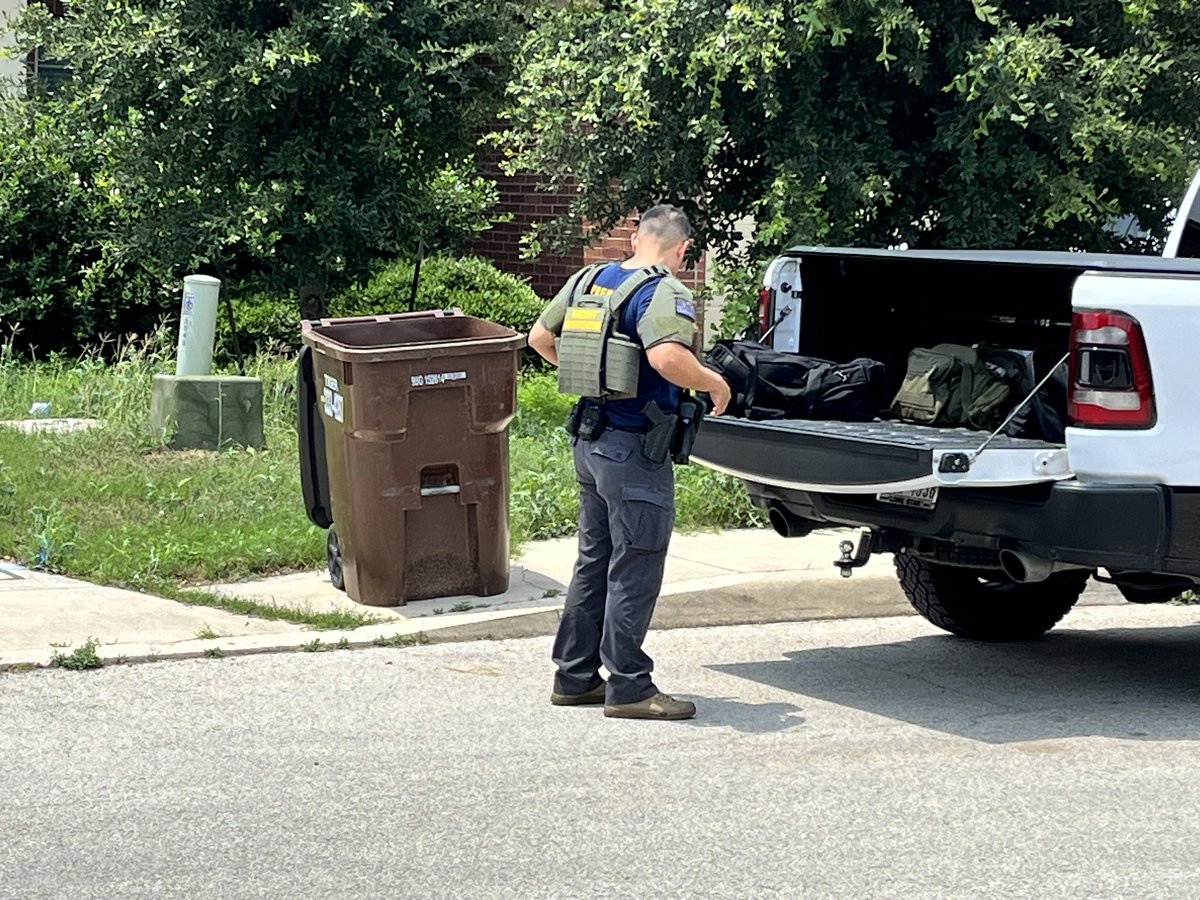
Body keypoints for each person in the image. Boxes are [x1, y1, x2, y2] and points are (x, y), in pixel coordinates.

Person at [527, 204, 732, 720]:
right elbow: (666, 358)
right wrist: (713, 382)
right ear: (682, 248)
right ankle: (631, 687)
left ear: (636, 237)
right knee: (635, 564)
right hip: (634, 448)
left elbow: (540, 339)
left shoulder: (587, 279)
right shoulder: (664, 290)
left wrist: (595, 379)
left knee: (594, 562)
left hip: (590, 440)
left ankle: (574, 678)